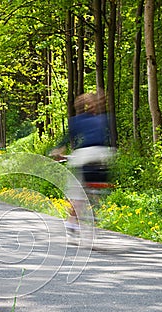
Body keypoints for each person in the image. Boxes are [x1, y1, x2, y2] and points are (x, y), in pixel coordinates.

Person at [51, 91, 115, 231]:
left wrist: (58, 151)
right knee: (98, 188)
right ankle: (96, 211)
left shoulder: (76, 121)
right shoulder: (105, 118)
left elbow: (67, 139)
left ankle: (72, 221)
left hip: (84, 157)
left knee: (76, 191)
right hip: (102, 156)